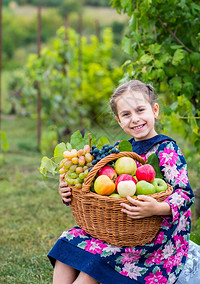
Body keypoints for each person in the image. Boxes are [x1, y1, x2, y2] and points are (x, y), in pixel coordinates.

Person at [48, 80, 199, 284]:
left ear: (155, 110)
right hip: (117, 228)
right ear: (119, 121)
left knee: (94, 265)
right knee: (68, 242)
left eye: (140, 110)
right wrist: (69, 192)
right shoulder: (120, 149)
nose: (134, 119)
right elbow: (96, 187)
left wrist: (157, 208)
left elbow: (185, 194)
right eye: (126, 114)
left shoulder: (166, 150)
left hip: (154, 238)